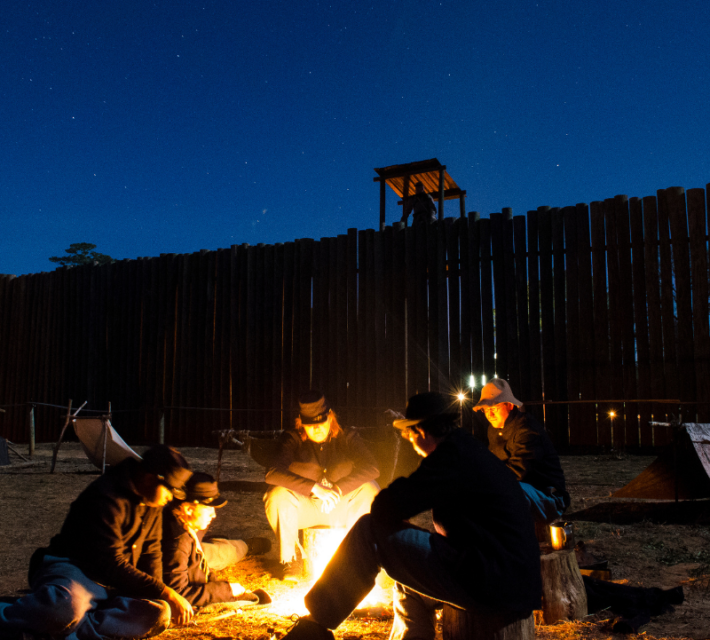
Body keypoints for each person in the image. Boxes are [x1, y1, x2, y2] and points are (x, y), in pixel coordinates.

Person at [279, 391, 542, 640]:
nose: (409, 442)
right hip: (503, 578)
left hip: (492, 582)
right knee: (407, 575)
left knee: (369, 531)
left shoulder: (450, 457)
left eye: (408, 435)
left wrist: (394, 520)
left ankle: (317, 621)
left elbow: (388, 505)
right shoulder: (467, 450)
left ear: (421, 431)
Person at [0, 445, 194, 640]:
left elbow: (152, 552)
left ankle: (59, 630)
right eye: (170, 491)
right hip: (79, 571)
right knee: (66, 607)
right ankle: (10, 613)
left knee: (158, 613)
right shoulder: (107, 496)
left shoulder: (151, 501)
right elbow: (110, 562)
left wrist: (158, 596)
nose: (170, 499)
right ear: (150, 478)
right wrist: (164, 591)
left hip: (113, 584)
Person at [264, 390, 380, 581]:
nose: (317, 428)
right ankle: (291, 559)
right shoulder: (292, 439)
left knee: (370, 489)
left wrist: (338, 488)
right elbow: (272, 473)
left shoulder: (347, 436)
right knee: (276, 494)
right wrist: (313, 487)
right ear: (301, 423)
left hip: (343, 506)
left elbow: (372, 468)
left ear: (330, 417)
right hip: (306, 508)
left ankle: (357, 558)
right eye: (310, 424)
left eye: (321, 422)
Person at [162, 471, 270, 607]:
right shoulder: (177, 542)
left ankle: (238, 545)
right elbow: (178, 595)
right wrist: (226, 591)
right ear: (188, 509)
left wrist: (218, 584)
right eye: (208, 509)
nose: (214, 515)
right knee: (222, 554)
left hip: (196, 547)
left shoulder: (184, 525)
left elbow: (198, 567)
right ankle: (246, 546)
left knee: (218, 552)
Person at [473, 378, 570, 524]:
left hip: (545, 496)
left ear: (510, 406)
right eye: (486, 409)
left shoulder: (527, 430)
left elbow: (518, 472)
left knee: (508, 489)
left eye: (494, 408)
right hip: (516, 492)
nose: (490, 414)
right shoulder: (493, 430)